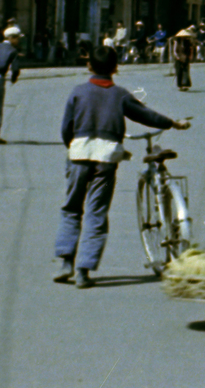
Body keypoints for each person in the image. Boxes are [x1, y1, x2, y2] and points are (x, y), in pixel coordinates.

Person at [54, 45, 190, 288]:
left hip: (79, 155)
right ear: (116, 68)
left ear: (88, 66)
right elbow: (145, 114)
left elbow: (66, 129)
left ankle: (66, 262)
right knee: (96, 212)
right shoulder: (120, 95)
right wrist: (172, 123)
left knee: (72, 209)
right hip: (106, 159)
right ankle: (84, 270)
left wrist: (73, 148)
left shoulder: (78, 92)